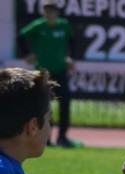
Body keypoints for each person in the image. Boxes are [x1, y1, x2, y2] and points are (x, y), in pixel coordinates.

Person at [18, 0, 80, 148]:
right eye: (46, 10)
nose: (48, 14)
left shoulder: (63, 25)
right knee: (44, 105)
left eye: (51, 10)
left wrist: (71, 56)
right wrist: (27, 54)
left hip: (60, 70)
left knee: (65, 102)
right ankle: (46, 139)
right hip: (43, 73)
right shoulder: (38, 26)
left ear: (57, 12)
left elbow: (72, 40)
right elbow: (20, 37)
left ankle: (62, 138)